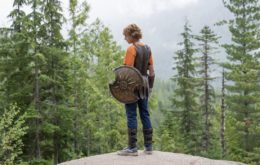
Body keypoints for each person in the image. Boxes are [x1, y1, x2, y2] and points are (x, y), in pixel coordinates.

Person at [117, 24, 155, 156]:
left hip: (132, 86)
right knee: (145, 113)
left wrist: (122, 89)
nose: (124, 38)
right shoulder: (148, 48)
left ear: (131, 35)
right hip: (144, 84)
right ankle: (149, 146)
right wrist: (150, 88)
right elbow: (152, 71)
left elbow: (127, 71)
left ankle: (132, 148)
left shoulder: (131, 49)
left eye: (125, 36)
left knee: (131, 114)